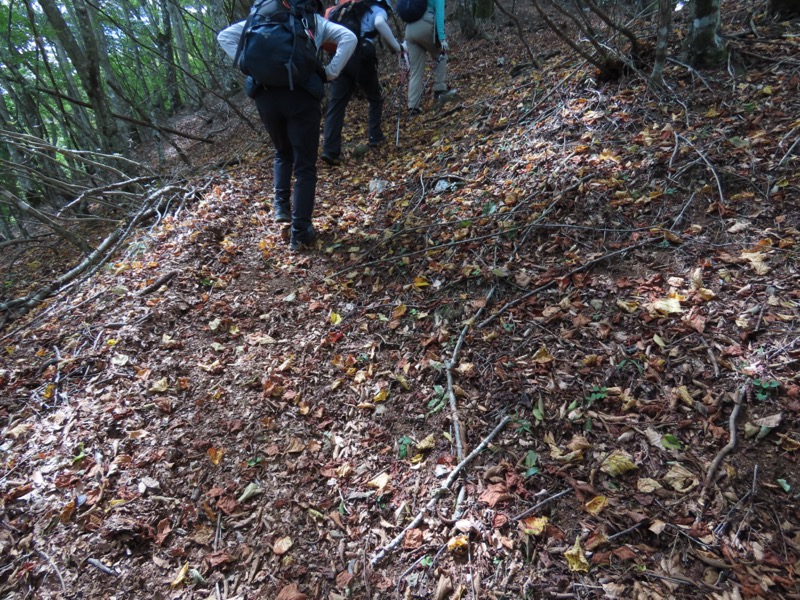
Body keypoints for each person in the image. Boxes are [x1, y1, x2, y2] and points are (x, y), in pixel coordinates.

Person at [217, 1, 357, 250]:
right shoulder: (312, 21)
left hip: (265, 96)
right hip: (301, 95)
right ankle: (300, 231)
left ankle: (281, 206)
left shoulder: (258, 18)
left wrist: (250, 68)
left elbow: (224, 36)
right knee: (304, 166)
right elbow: (348, 37)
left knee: (283, 152)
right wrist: (331, 72)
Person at [321, 0, 404, 166]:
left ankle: (330, 150)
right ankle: (375, 136)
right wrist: (398, 47)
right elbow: (380, 23)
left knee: (336, 104)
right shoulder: (376, 9)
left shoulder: (348, 8)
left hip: (340, 55)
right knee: (374, 96)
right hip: (361, 54)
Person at [404, 0, 454, 114]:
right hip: (426, 25)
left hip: (410, 29)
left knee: (415, 69)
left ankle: (413, 106)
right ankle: (439, 90)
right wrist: (442, 38)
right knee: (441, 56)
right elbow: (440, 14)